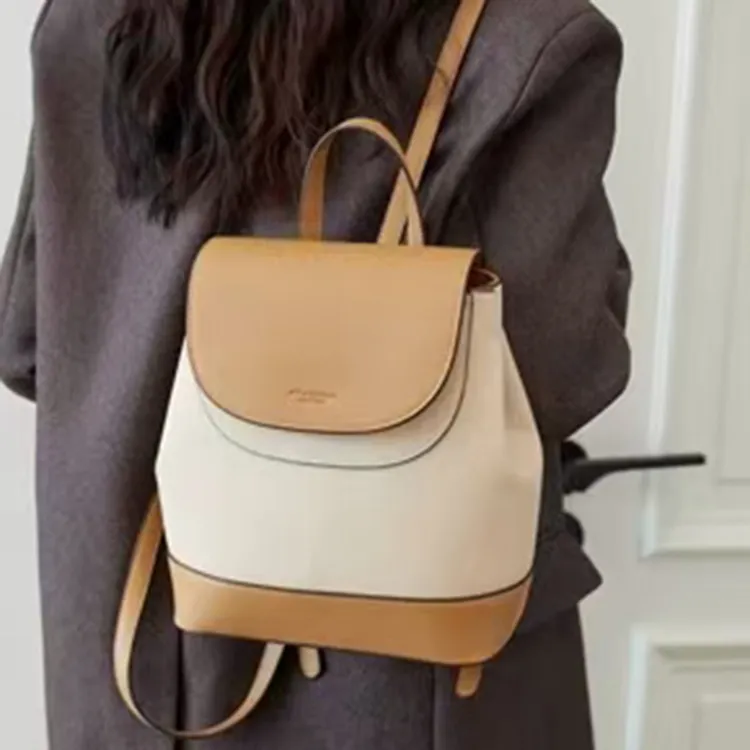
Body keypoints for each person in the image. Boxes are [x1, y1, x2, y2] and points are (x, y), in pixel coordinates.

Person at [0, 0, 632, 748]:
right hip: (397, 687)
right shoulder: (522, 37)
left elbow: (28, 346)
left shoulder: (91, 22)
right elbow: (564, 370)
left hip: (127, 665)